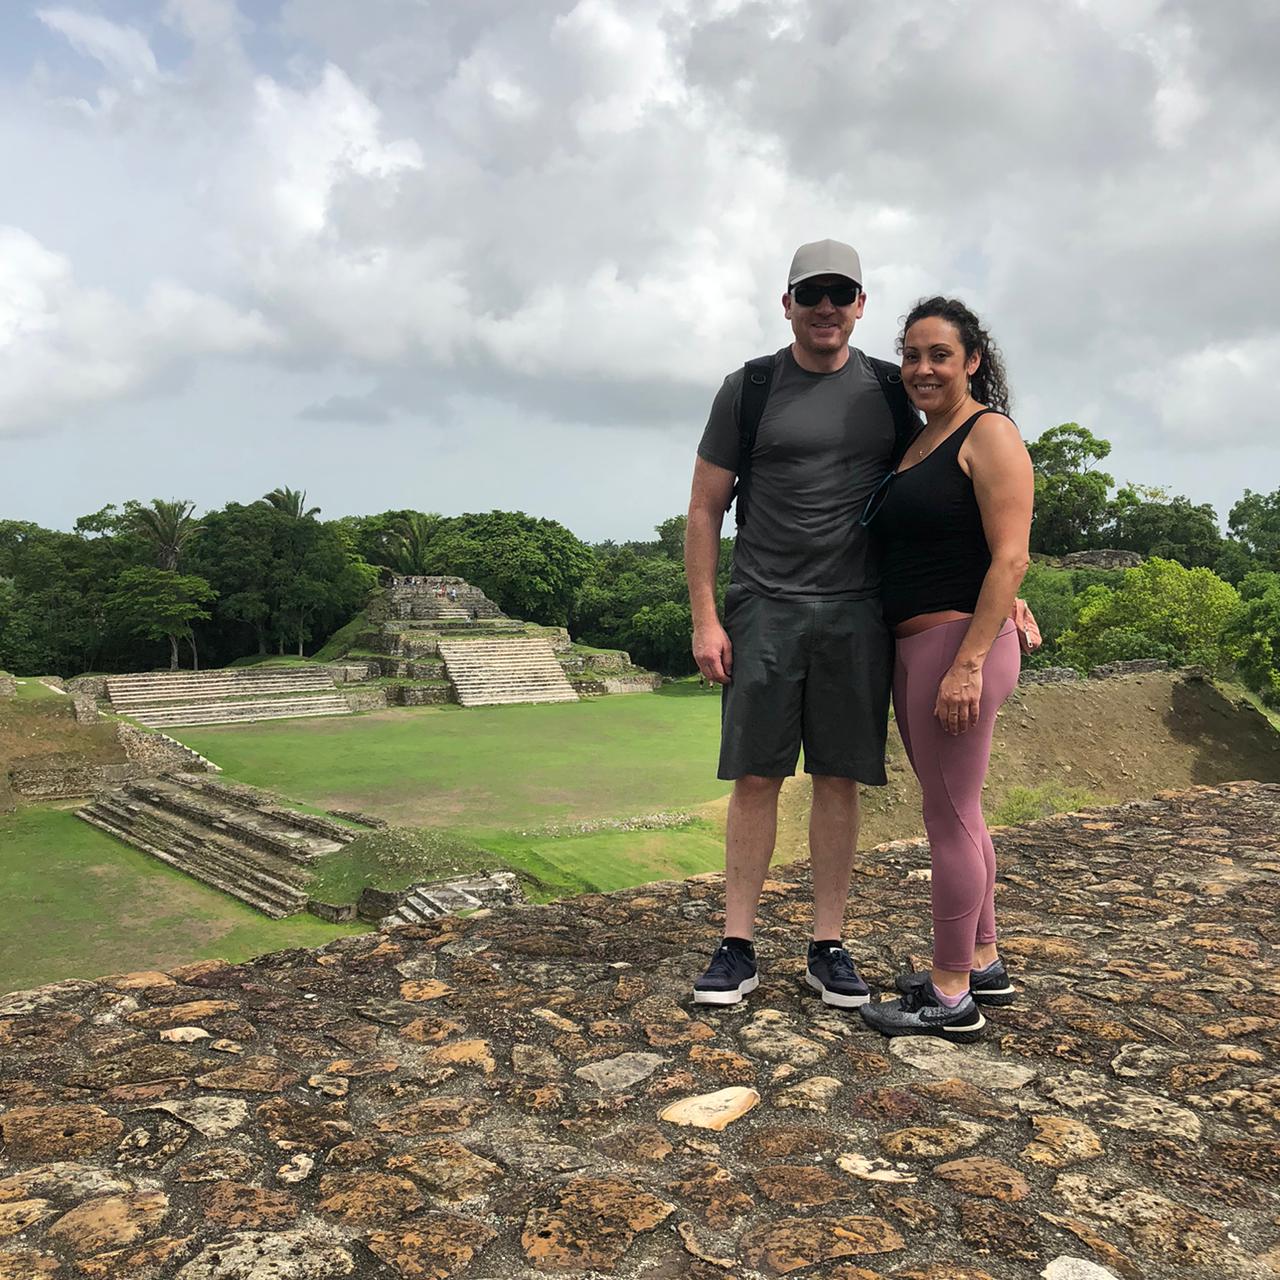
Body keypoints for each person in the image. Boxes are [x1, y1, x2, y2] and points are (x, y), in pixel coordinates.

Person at [685, 239, 907, 1008]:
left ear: (860, 305)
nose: (825, 307)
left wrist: (998, 581)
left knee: (839, 778)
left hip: (857, 608)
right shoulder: (748, 388)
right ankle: (736, 942)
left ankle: (828, 942)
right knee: (756, 777)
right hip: (767, 606)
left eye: (840, 293)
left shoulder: (889, 388)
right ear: (786, 304)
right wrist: (706, 617)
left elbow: (949, 484)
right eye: (810, 293)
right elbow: (706, 508)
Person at [858, 297, 1033, 1042]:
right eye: (911, 355)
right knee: (961, 807)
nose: (922, 368)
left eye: (939, 354)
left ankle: (950, 992)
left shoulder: (987, 433)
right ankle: (983, 960)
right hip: (922, 646)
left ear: (972, 361)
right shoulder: (920, 443)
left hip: (958, 647)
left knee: (949, 816)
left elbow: (1010, 553)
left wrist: (967, 663)